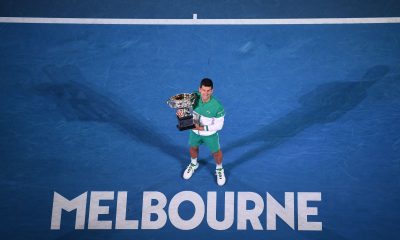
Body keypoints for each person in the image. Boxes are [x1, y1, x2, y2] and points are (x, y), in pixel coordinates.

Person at [180, 78, 226, 186]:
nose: (205, 93)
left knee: (216, 153)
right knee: (193, 148)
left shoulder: (218, 106)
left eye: (208, 90)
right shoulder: (193, 97)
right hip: (194, 132)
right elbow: (186, 108)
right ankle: (193, 164)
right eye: (204, 90)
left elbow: (219, 125)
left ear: (212, 91)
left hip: (209, 134)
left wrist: (201, 128)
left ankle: (219, 169)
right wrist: (182, 113)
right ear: (199, 89)